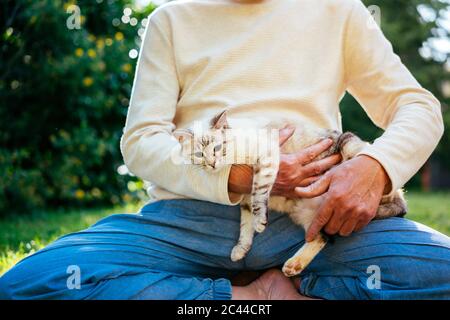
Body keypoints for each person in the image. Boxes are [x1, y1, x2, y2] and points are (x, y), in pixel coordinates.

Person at [1, 0, 449, 300]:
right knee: (31, 284)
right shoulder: (171, 19)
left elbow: (417, 106)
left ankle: (270, 281)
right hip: (189, 222)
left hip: (312, 218)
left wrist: (375, 167)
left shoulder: (337, 10)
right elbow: (140, 141)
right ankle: (247, 297)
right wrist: (235, 177)